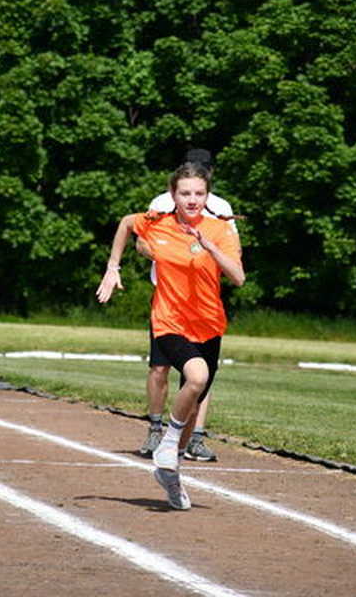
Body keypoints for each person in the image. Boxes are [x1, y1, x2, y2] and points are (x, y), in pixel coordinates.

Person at [96, 162, 244, 510]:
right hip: (169, 322)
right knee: (197, 376)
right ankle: (167, 440)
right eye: (185, 193)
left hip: (209, 325)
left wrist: (210, 246)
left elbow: (238, 277)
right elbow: (125, 225)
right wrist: (112, 267)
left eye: (199, 193)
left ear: (207, 196)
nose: (192, 199)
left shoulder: (220, 230)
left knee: (192, 406)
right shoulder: (157, 223)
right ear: (173, 195)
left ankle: (171, 472)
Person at [138, 148, 240, 463]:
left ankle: (194, 436)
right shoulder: (162, 202)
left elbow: (233, 257)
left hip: (203, 301)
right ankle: (156, 429)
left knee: (200, 376)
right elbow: (140, 238)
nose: (192, 197)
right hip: (168, 298)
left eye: (203, 174)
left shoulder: (221, 208)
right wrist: (158, 254)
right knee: (159, 367)